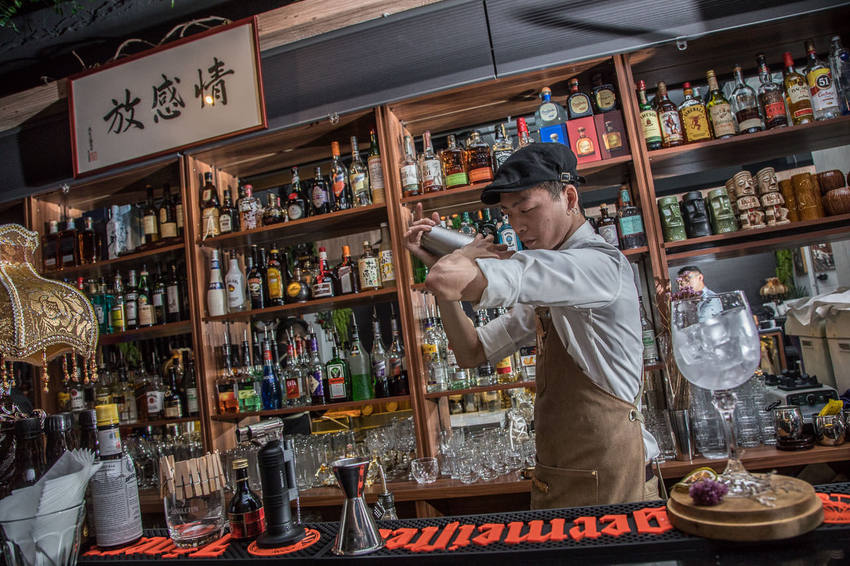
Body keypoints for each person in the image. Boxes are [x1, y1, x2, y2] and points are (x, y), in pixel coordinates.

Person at [405, 143, 659, 510]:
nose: (517, 226)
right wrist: (441, 273)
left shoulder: (597, 266)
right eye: (508, 214)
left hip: (616, 486)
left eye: (526, 209)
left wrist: (461, 256)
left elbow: (448, 276)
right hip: (560, 482)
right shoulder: (552, 288)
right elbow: (471, 351)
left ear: (569, 198)